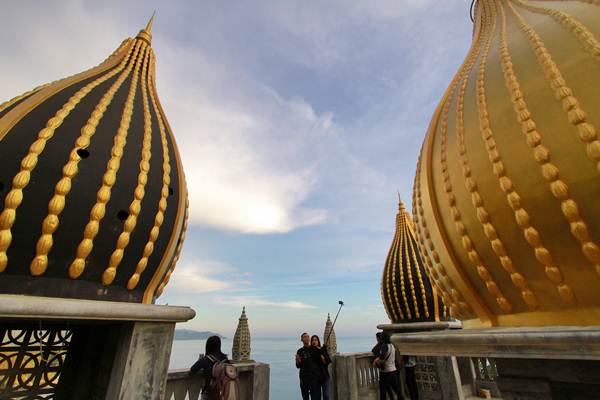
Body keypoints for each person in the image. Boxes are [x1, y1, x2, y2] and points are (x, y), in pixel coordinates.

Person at [189, 335, 228, 400]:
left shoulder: (205, 359)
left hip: (209, 393)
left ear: (208, 346)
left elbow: (191, 371)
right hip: (223, 392)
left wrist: (199, 361)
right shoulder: (225, 358)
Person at [373, 332, 404, 400]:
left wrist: (376, 361)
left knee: (383, 391)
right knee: (397, 390)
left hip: (385, 372)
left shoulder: (385, 346)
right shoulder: (392, 346)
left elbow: (382, 357)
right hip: (393, 370)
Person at [296, 332, 321, 400]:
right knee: (305, 397)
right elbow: (298, 366)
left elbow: (319, 362)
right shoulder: (299, 351)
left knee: (314, 397)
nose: (307, 338)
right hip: (303, 377)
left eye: (308, 337)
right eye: (305, 337)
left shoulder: (314, 349)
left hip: (313, 378)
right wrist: (298, 361)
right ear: (301, 339)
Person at [311, 335, 332, 400]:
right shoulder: (310, 351)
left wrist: (324, 359)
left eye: (316, 340)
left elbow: (328, 361)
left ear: (318, 341)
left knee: (326, 395)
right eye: (313, 340)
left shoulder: (322, 350)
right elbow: (314, 359)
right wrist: (321, 350)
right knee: (317, 396)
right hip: (316, 377)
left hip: (325, 376)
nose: (314, 341)